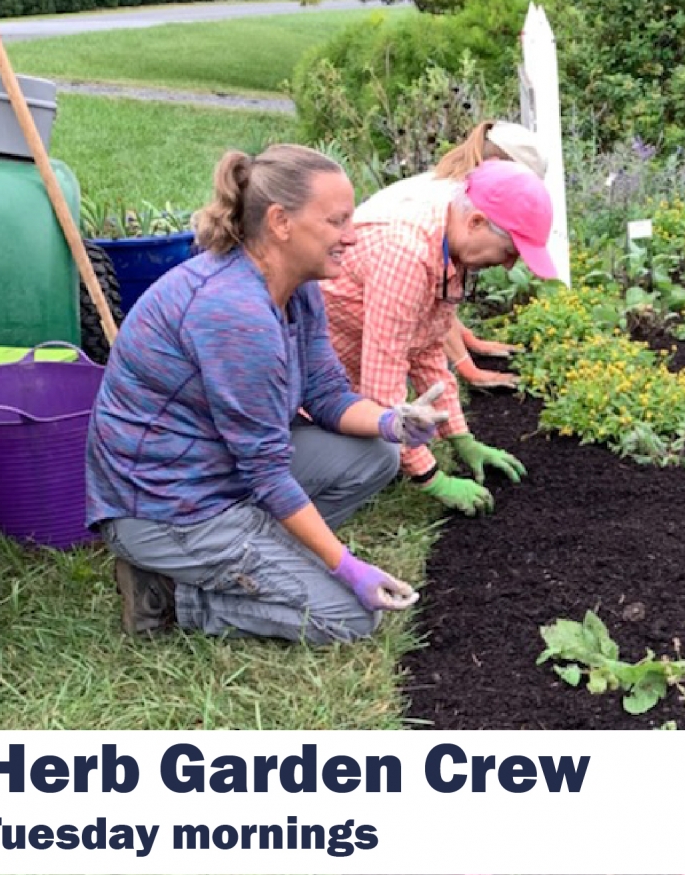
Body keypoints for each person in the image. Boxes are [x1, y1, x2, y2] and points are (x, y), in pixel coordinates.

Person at [86, 144, 448, 644]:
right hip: (166, 510)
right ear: (280, 222)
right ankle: (171, 593)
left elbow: (325, 395)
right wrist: (345, 566)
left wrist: (393, 424)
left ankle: (262, 552)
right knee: (347, 617)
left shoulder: (296, 288)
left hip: (218, 473)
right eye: (337, 220)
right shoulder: (236, 316)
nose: (352, 234)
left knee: (378, 454)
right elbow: (267, 473)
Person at [321, 157, 557, 516]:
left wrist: (460, 437)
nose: (510, 265)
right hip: (311, 379)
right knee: (379, 457)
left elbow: (428, 349)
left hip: (349, 363)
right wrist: (432, 478)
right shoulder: (407, 254)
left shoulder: (448, 249)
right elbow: (383, 388)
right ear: (476, 222)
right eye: (509, 251)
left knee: (383, 447)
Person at [358, 120, 549, 390]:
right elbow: (417, 298)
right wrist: (467, 368)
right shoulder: (437, 210)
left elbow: (436, 299)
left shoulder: (456, 196)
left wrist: (468, 340)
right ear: (495, 162)